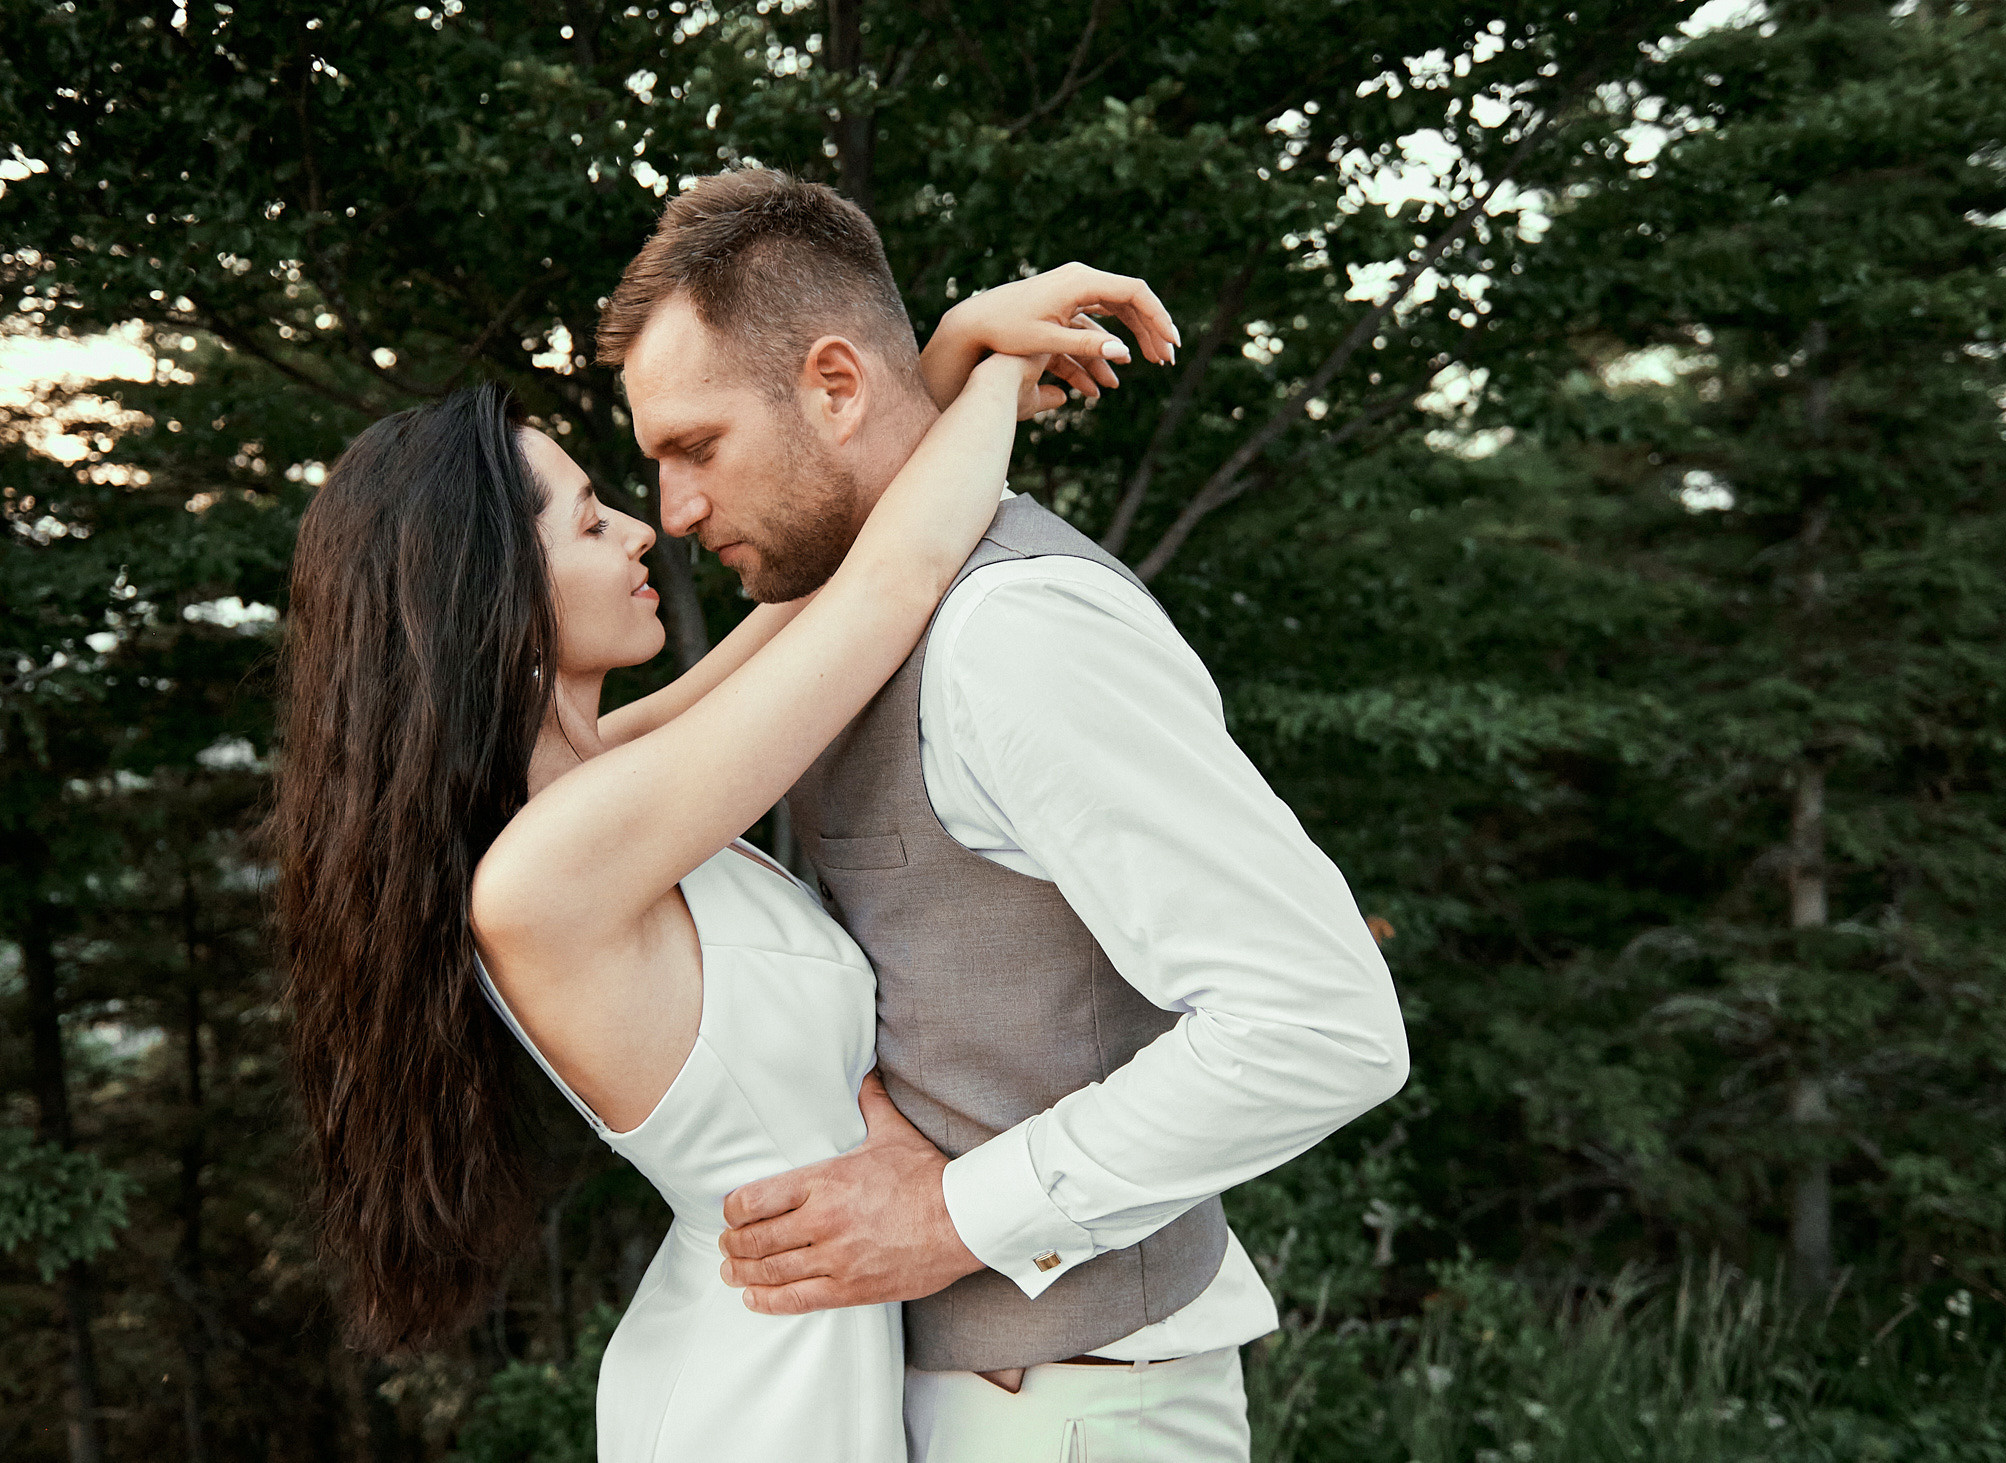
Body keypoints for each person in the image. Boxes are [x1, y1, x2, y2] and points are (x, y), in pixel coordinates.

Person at [271, 254, 1157, 1458]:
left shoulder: (595, 785)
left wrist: (929, 369)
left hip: (804, 1348)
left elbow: (809, 602)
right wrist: (994, 373)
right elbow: (887, 585)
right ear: (494, 592)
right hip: (753, 1397)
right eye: (590, 520)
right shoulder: (548, 868)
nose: (646, 525)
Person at [598, 168, 1409, 1462]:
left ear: (835, 386)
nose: (676, 513)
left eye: (695, 446)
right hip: (944, 1405)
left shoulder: (1015, 630)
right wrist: (954, 363)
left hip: (1081, 1412)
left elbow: (1326, 1019)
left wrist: (954, 1215)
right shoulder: (852, 617)